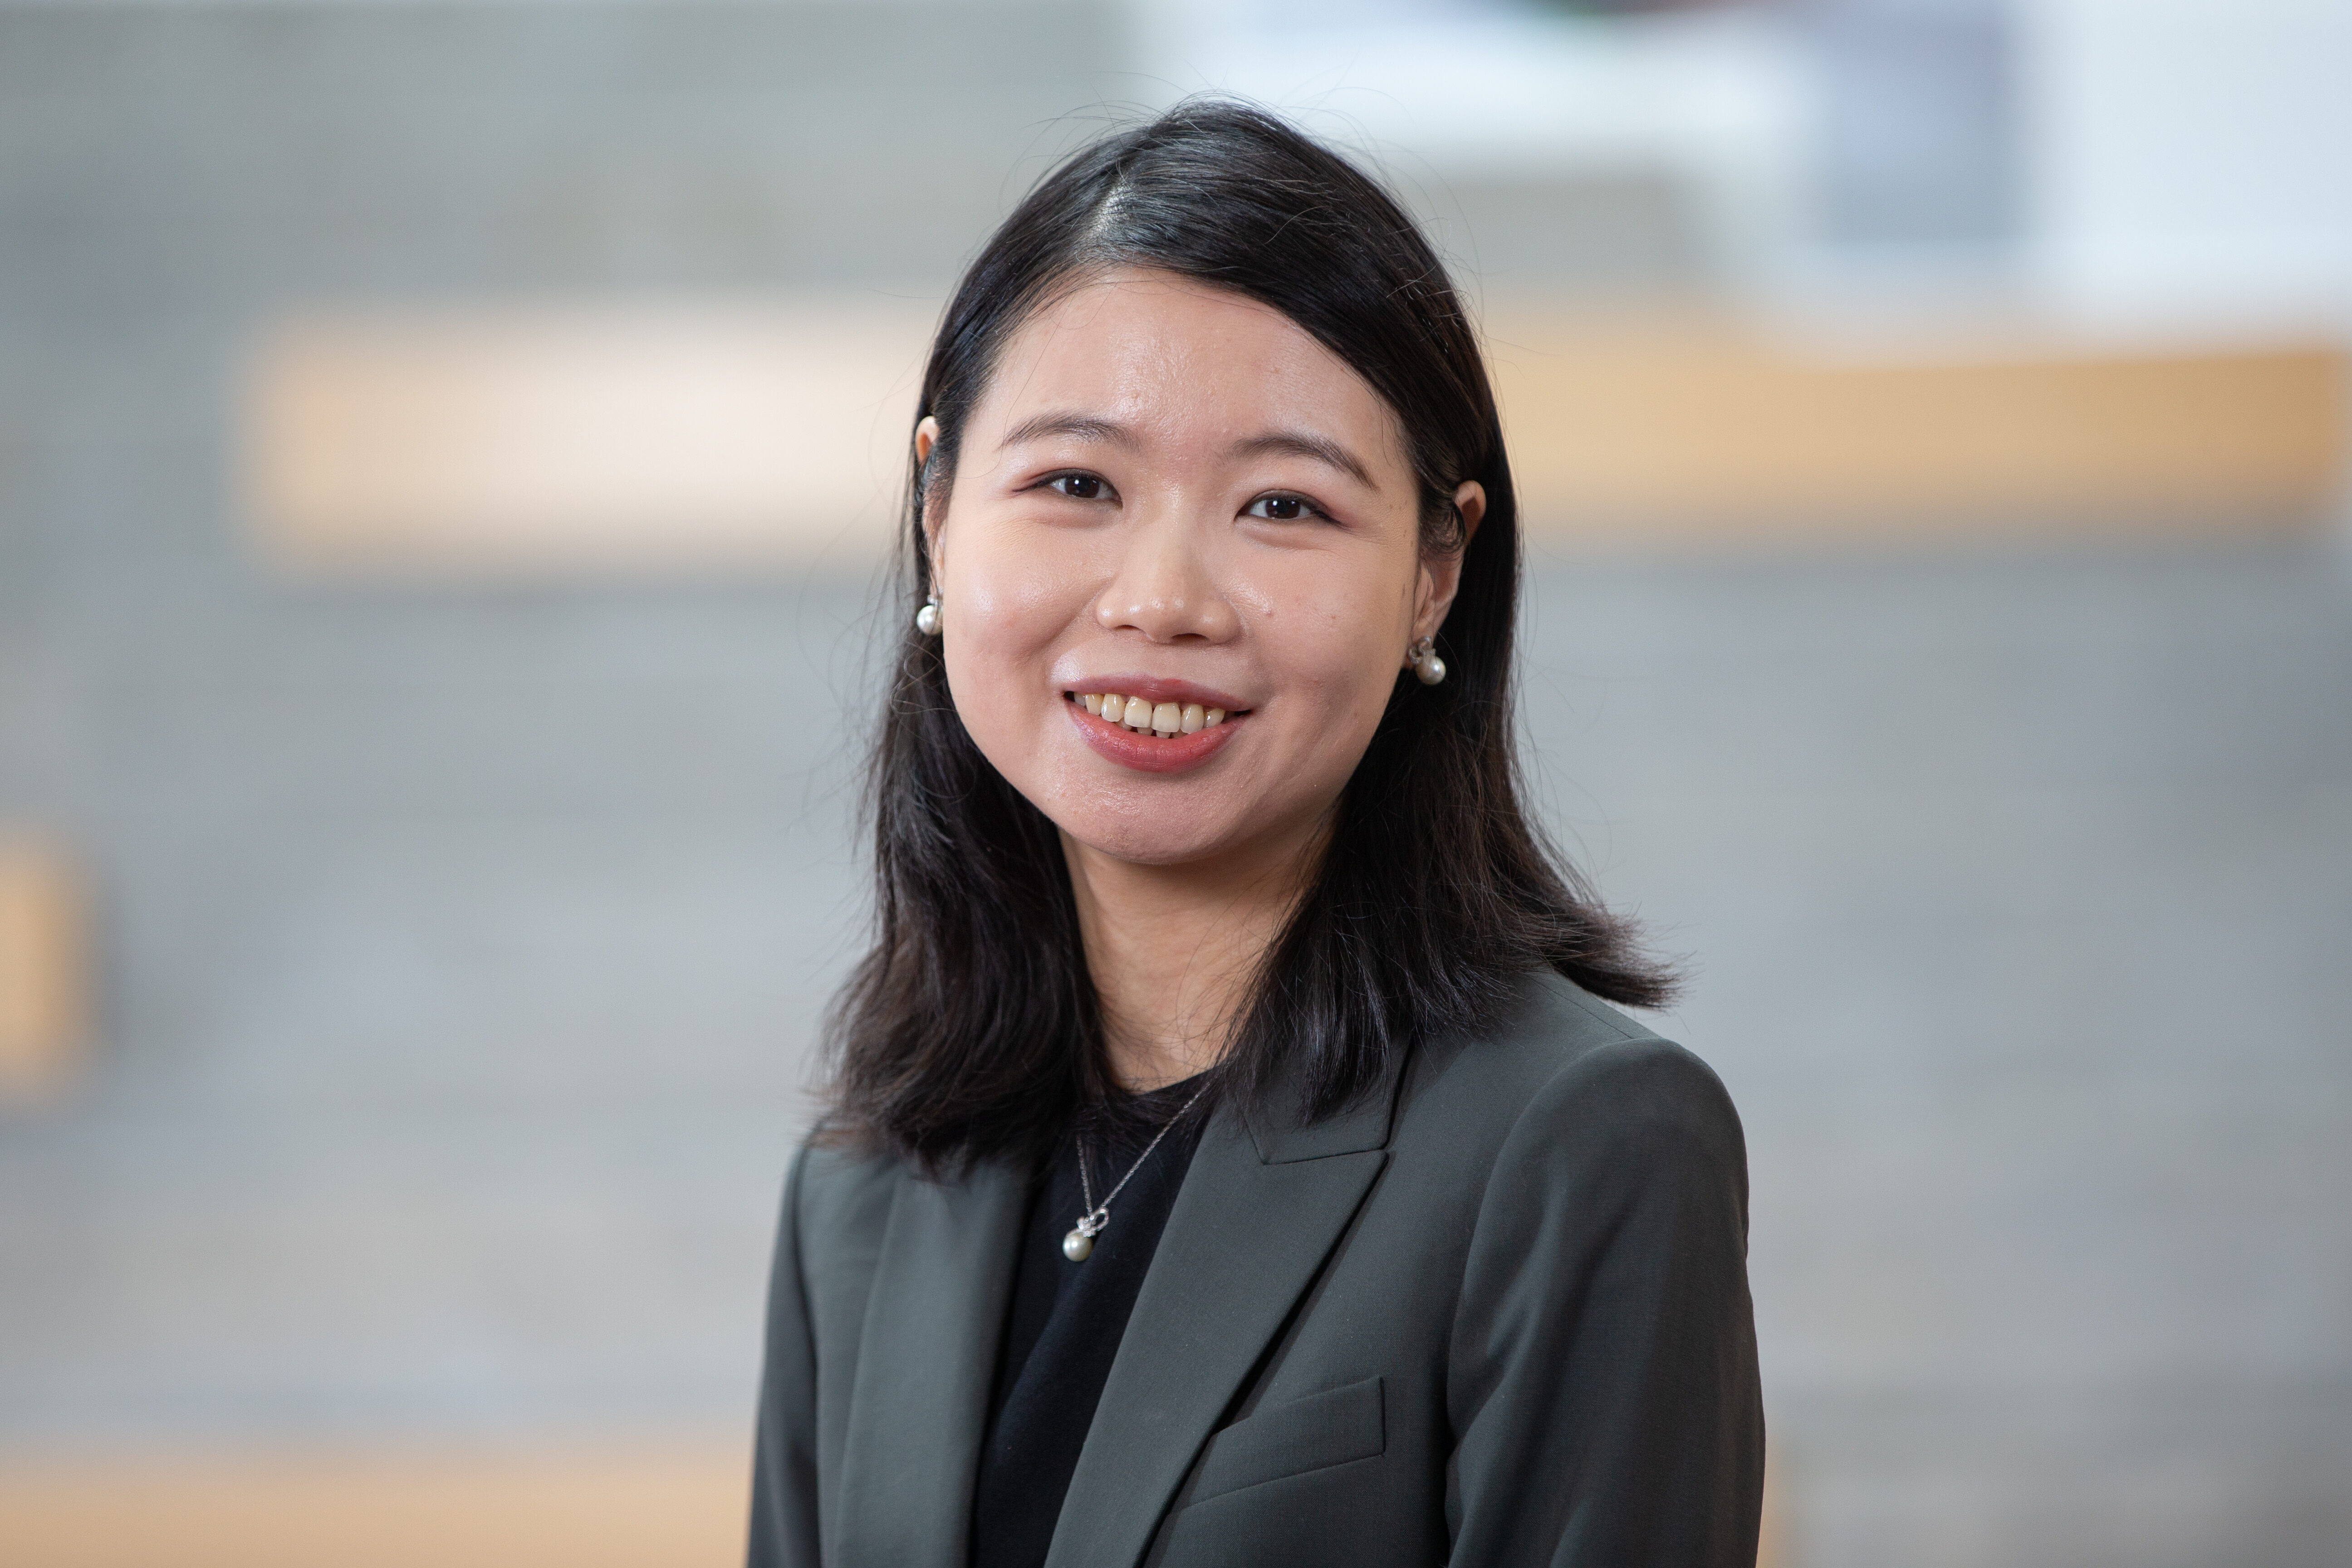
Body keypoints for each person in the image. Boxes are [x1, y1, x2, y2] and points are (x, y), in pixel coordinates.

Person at [748, 101, 1762, 1568]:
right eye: (1076, 485)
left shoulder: (1583, 1145)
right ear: (937, 513)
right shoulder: (865, 1184)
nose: (1163, 600)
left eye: (1283, 504)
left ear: (1434, 573)